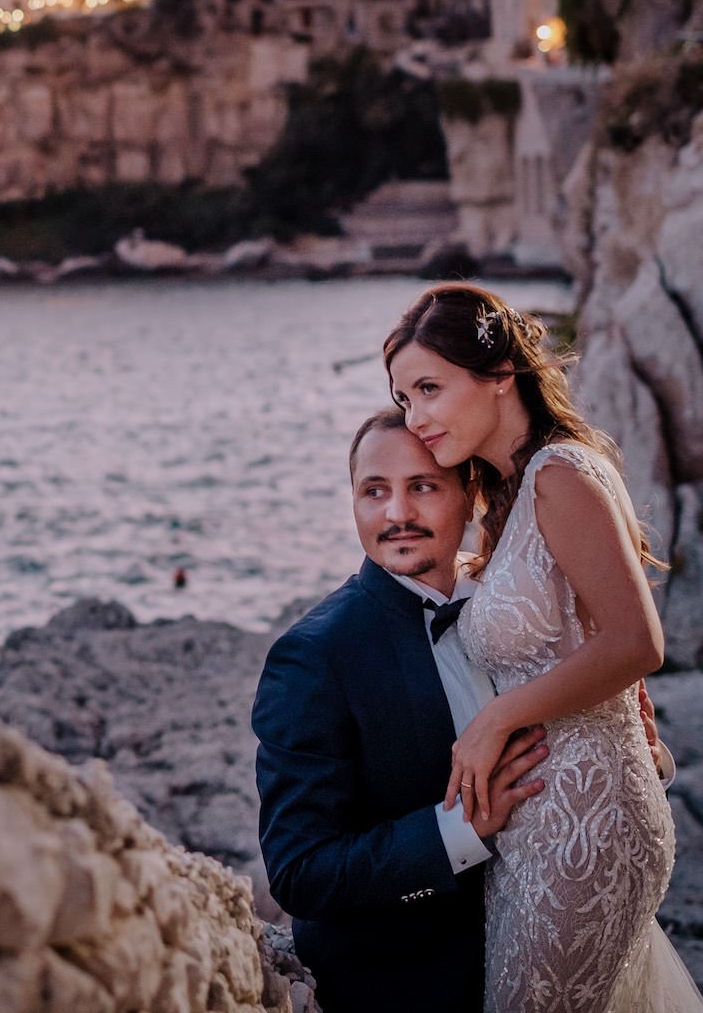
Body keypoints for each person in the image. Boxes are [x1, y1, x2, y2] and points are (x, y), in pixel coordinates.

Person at [384, 283, 703, 1013]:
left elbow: (636, 641)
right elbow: (568, 627)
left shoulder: (561, 474)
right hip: (540, 820)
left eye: (430, 388)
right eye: (405, 399)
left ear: (500, 375)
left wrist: (494, 723)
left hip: (590, 822)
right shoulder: (512, 491)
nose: (417, 417)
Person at [252, 408, 551, 1013]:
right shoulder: (315, 657)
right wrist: (460, 831)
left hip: (545, 943)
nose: (397, 514)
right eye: (374, 492)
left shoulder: (515, 608)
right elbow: (300, 872)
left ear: (469, 495)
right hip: (407, 983)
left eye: (422, 486)